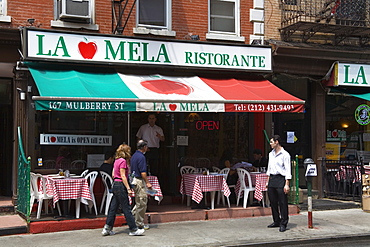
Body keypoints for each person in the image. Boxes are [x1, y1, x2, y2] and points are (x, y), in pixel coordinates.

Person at [101, 144, 144, 236]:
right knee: (126, 208)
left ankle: (107, 228)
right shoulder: (123, 161)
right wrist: (128, 188)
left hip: (115, 184)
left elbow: (113, 174)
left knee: (113, 208)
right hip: (121, 184)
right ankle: (133, 229)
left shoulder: (116, 161)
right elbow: (123, 176)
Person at [265, 135, 292, 233]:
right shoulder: (271, 154)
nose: (270, 143)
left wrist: (287, 184)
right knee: (273, 201)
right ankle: (276, 220)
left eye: (272, 142)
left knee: (282, 202)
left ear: (277, 142)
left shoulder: (285, 154)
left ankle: (283, 222)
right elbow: (269, 168)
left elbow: (288, 170)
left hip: (281, 178)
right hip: (272, 178)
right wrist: (267, 181)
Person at [131, 139, 152, 230]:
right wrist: (147, 182)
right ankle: (139, 223)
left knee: (138, 201)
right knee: (142, 201)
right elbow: (143, 172)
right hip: (139, 180)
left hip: (133, 179)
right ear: (144, 147)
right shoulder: (141, 157)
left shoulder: (134, 156)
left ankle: (132, 217)